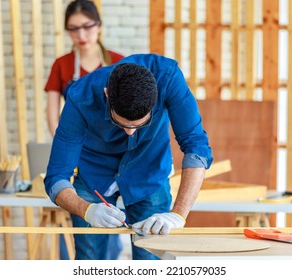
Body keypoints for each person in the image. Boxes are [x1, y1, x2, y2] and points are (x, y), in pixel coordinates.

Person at [44, 53, 213, 260]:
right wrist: (86, 209)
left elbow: (196, 147)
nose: (130, 133)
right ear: (107, 95)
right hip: (94, 173)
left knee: (149, 259)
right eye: (122, 123)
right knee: (89, 259)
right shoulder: (80, 97)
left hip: (148, 170)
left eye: (139, 125)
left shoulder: (168, 78)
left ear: (156, 99)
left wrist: (178, 215)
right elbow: (56, 177)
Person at [44, 0, 124, 259]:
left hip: (117, 155)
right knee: (87, 234)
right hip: (81, 153)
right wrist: (66, 152)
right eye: (73, 29)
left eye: (87, 27)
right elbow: (52, 112)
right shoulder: (62, 65)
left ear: (99, 26)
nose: (81, 35)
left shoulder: (118, 62)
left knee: (118, 229)